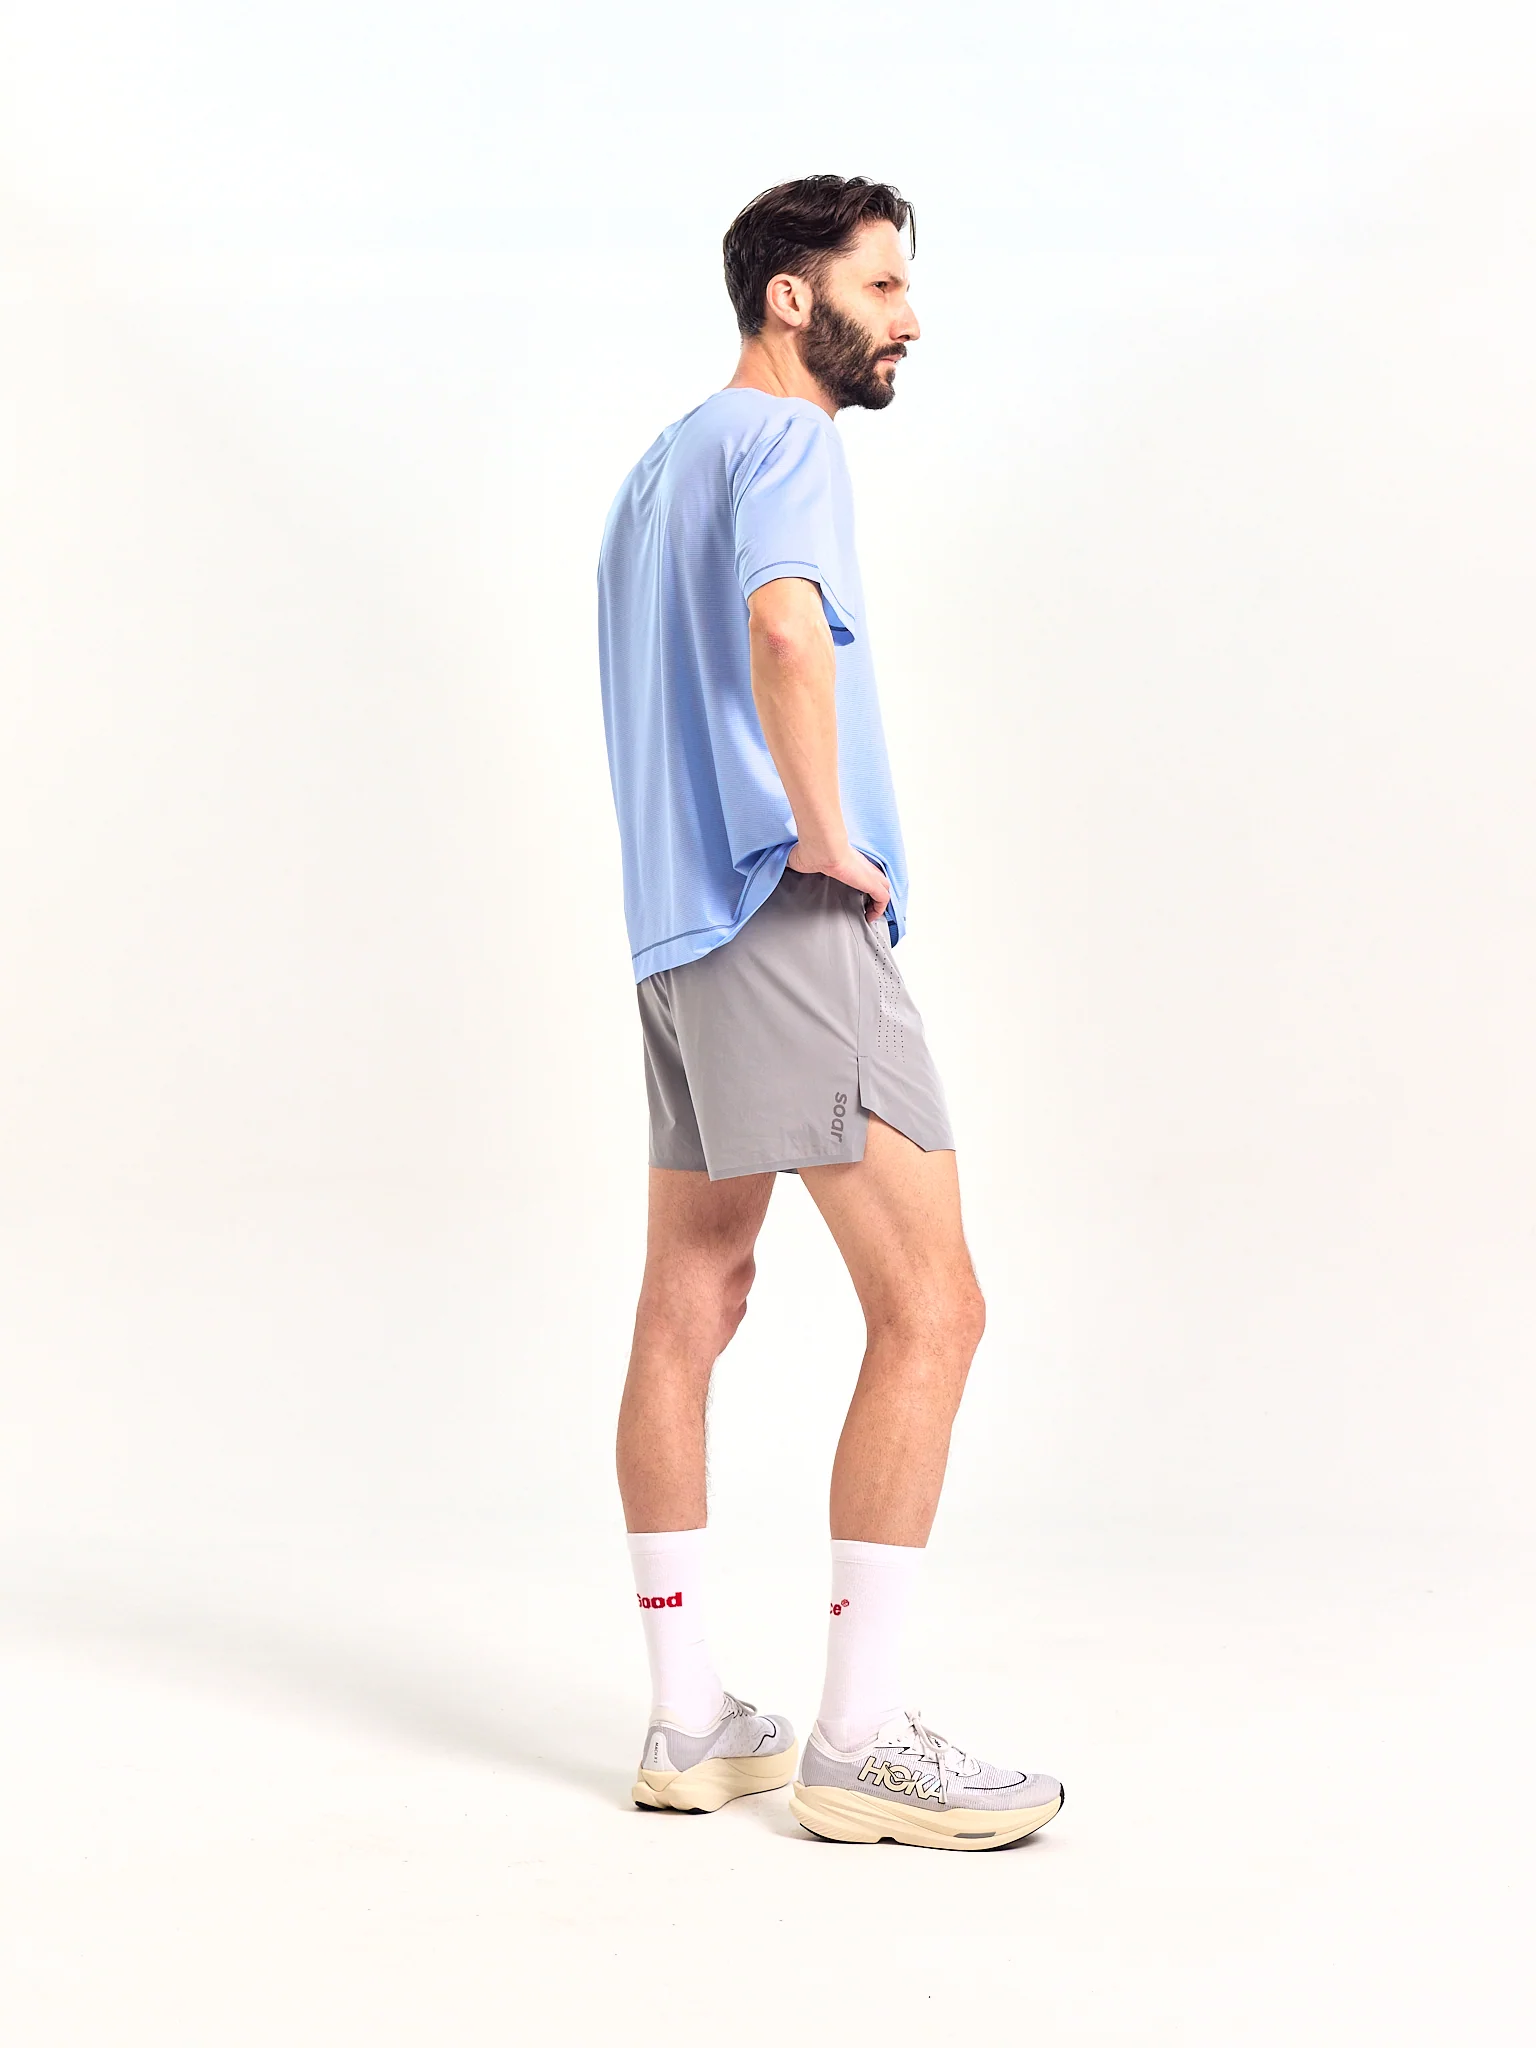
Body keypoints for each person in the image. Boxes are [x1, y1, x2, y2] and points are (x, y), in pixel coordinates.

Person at [596, 175, 1062, 1850]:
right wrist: (826, 834)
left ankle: (691, 1722)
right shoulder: (786, 441)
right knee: (938, 1307)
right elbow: (786, 630)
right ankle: (859, 1745)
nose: (910, 318)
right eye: (881, 285)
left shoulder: (658, 470)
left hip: (675, 940)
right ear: (790, 299)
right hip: (780, 917)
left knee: (691, 1301)